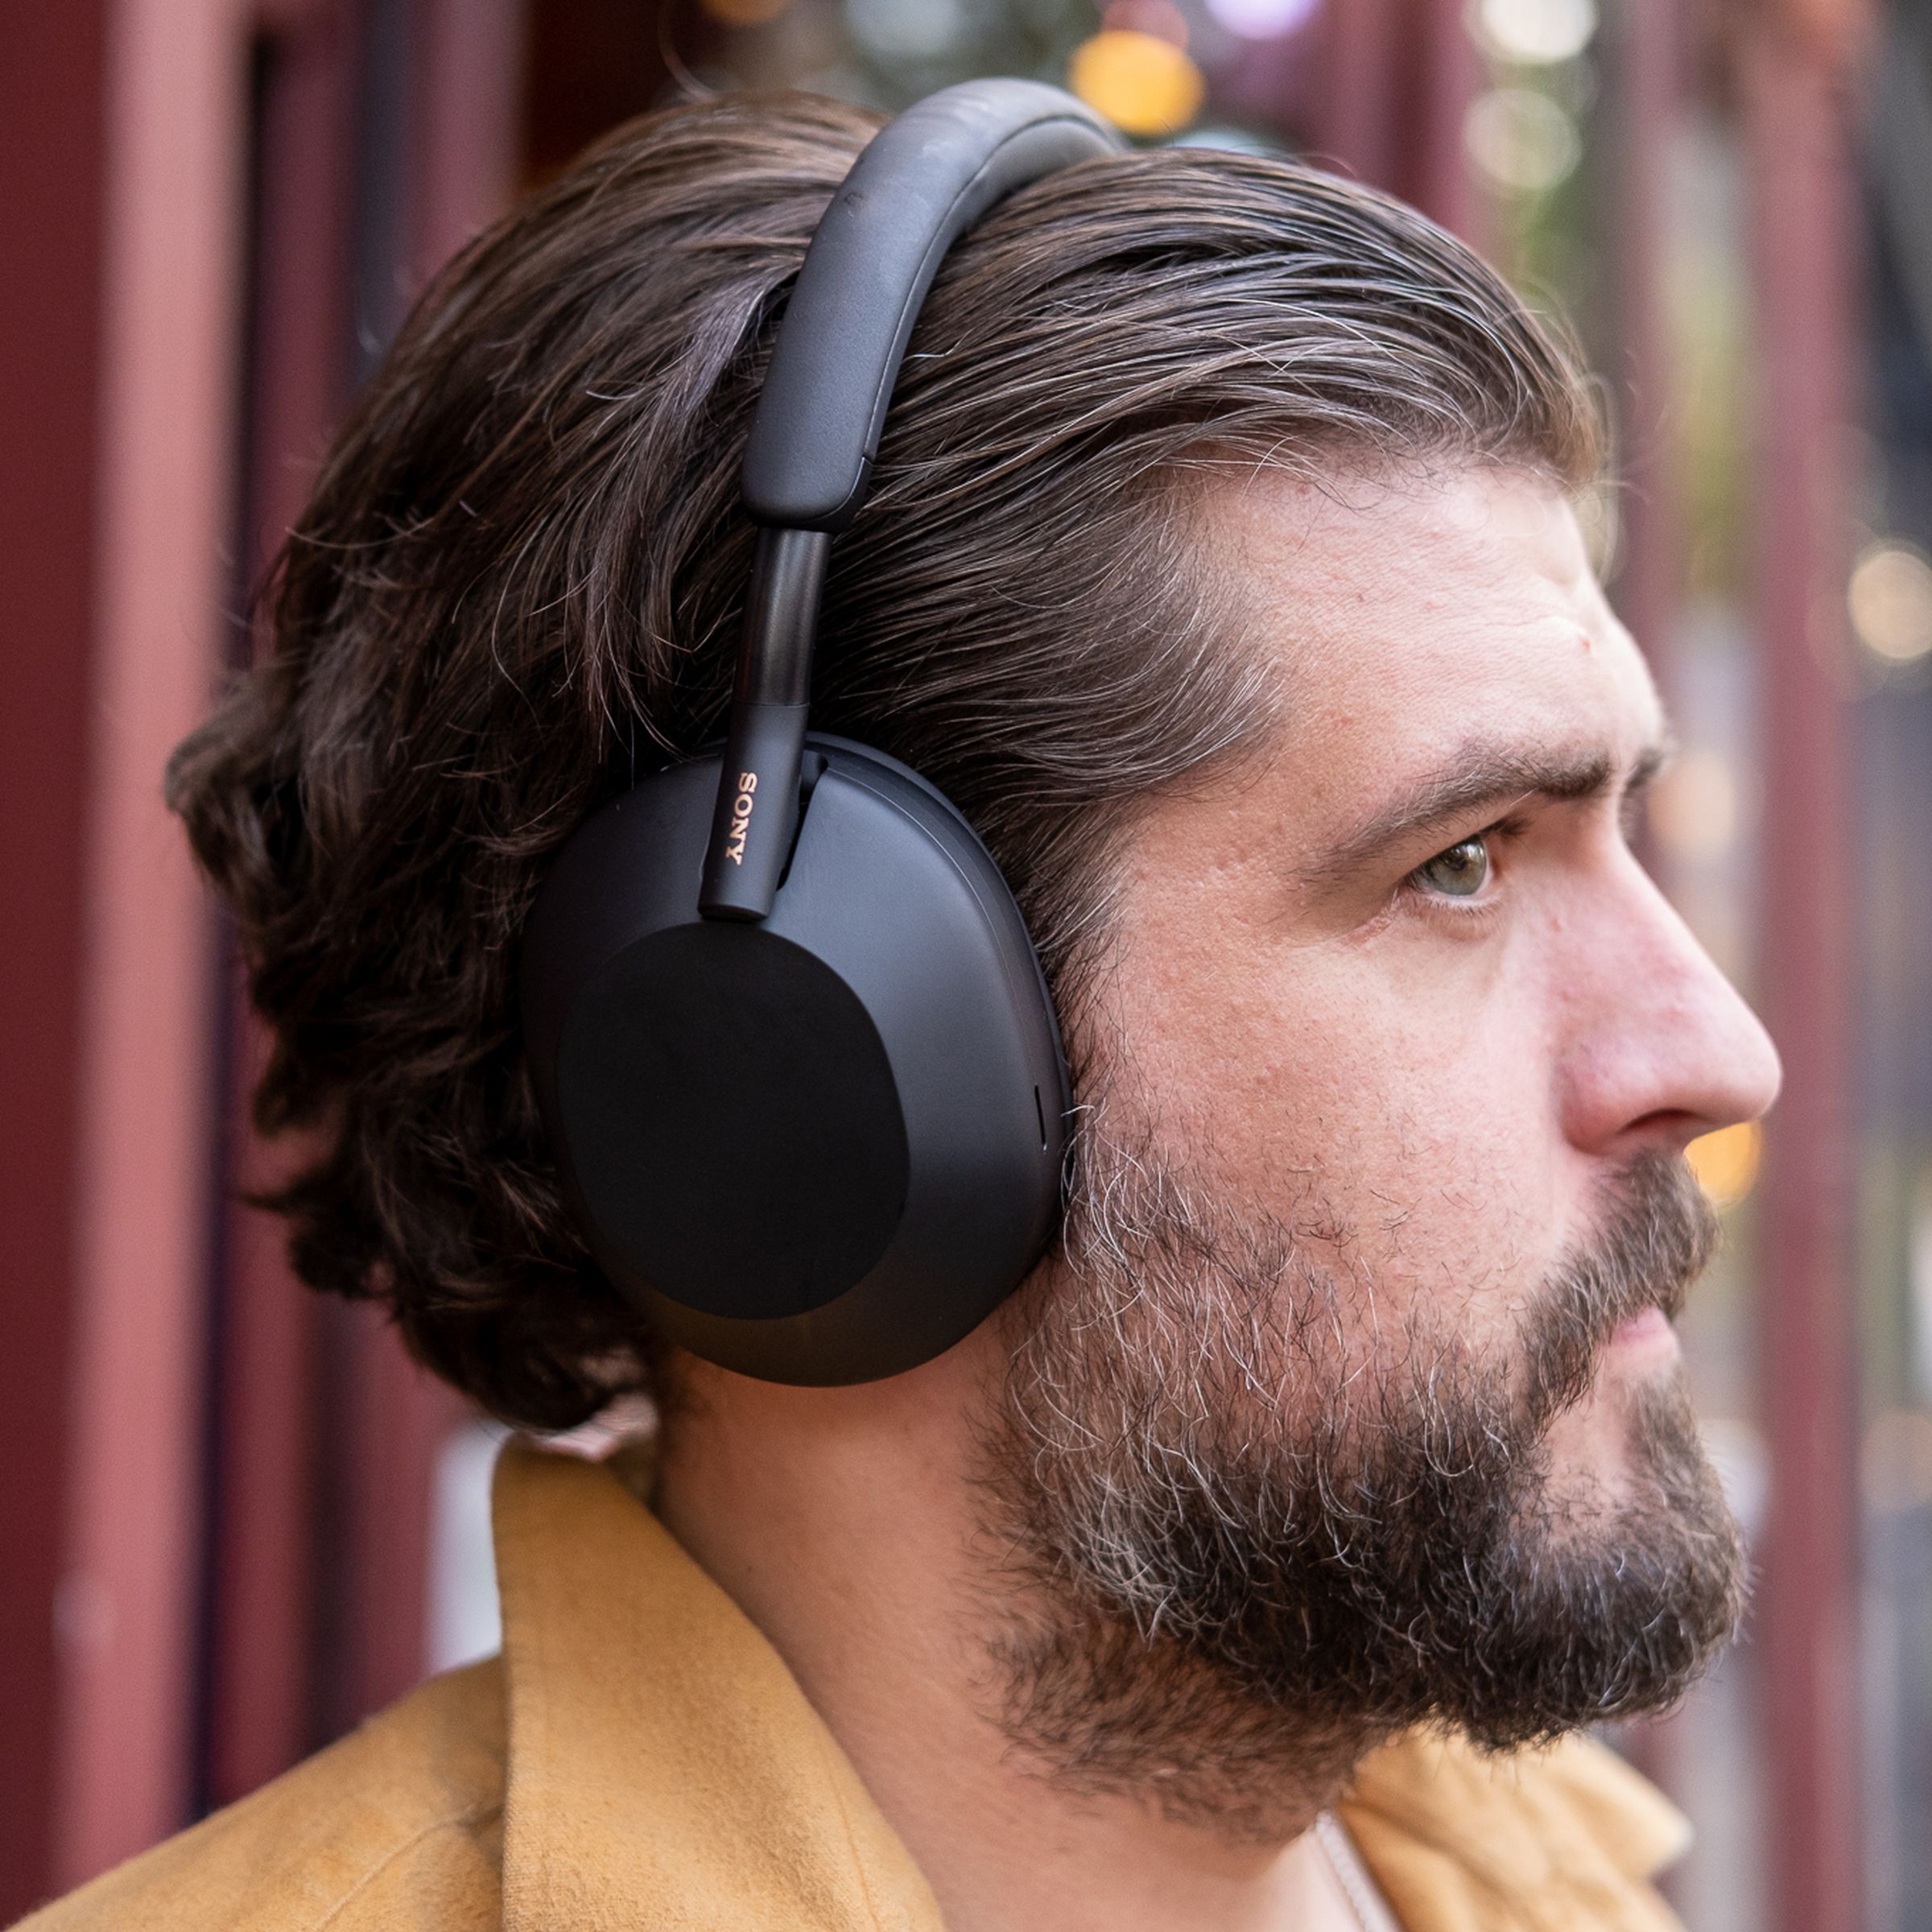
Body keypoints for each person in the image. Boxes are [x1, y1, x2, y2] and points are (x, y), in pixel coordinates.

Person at [22, 80, 1780, 1932]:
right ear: (828, 1059)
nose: (1716, 1053)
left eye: (1622, 831)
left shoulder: (1563, 1888)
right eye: (1463, 862)